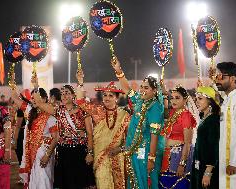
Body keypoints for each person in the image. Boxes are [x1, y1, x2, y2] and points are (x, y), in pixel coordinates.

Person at [111, 57, 165, 189]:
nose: (142, 90)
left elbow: (154, 135)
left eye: (146, 88)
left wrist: (151, 159)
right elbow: (127, 89)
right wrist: (118, 70)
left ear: (154, 91)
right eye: (141, 87)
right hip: (134, 151)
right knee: (134, 182)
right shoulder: (140, 102)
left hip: (146, 152)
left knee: (144, 183)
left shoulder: (155, 107)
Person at [33, 84, 95, 189]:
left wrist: (90, 153)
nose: (64, 96)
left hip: (80, 151)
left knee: (81, 183)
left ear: (73, 95)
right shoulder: (58, 111)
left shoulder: (82, 110)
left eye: (67, 93)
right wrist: (35, 86)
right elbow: (38, 102)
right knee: (66, 183)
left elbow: (89, 133)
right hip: (63, 152)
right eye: (62, 94)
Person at [76, 70, 130, 189]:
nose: (107, 98)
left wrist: (120, 148)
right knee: (102, 184)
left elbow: (129, 138)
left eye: (111, 95)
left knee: (119, 185)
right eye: (105, 95)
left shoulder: (124, 115)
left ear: (116, 98)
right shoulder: (98, 111)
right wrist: (80, 82)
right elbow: (80, 101)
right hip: (100, 157)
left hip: (118, 156)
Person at [159, 85, 196, 189]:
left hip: (178, 156)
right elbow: (164, 110)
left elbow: (188, 143)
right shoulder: (172, 113)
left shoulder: (186, 116)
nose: (173, 100)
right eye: (172, 97)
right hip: (166, 155)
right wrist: (165, 94)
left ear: (185, 100)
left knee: (178, 184)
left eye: (177, 98)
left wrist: (182, 164)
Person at [190, 86, 220, 189]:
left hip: (207, 168)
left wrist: (208, 172)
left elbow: (214, 147)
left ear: (210, 101)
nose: (197, 101)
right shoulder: (204, 117)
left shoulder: (213, 120)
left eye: (200, 98)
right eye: (196, 99)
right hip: (199, 164)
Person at [0, 105, 11, 189]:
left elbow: (8, 131)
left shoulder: (3, 112)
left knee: (2, 178)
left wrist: (7, 151)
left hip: (0, 150)